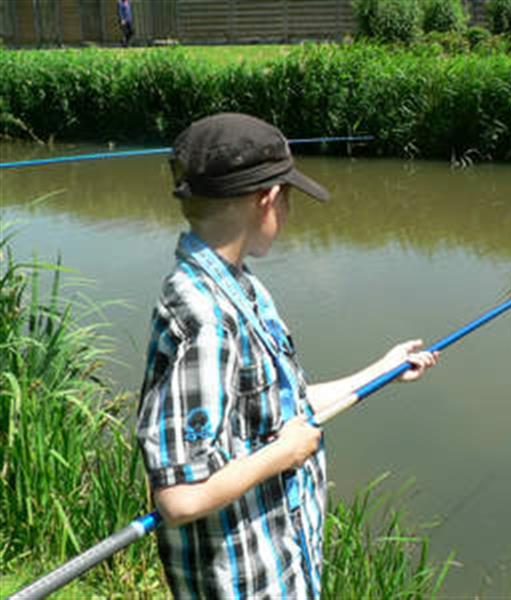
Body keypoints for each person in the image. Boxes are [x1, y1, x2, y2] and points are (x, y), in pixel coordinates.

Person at [136, 112, 438, 598]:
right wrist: (283, 454)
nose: (290, 212)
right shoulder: (206, 320)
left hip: (280, 566)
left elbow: (281, 410)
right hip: (244, 582)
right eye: (289, 198)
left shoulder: (240, 287)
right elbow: (179, 498)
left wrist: (384, 368)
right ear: (267, 198)